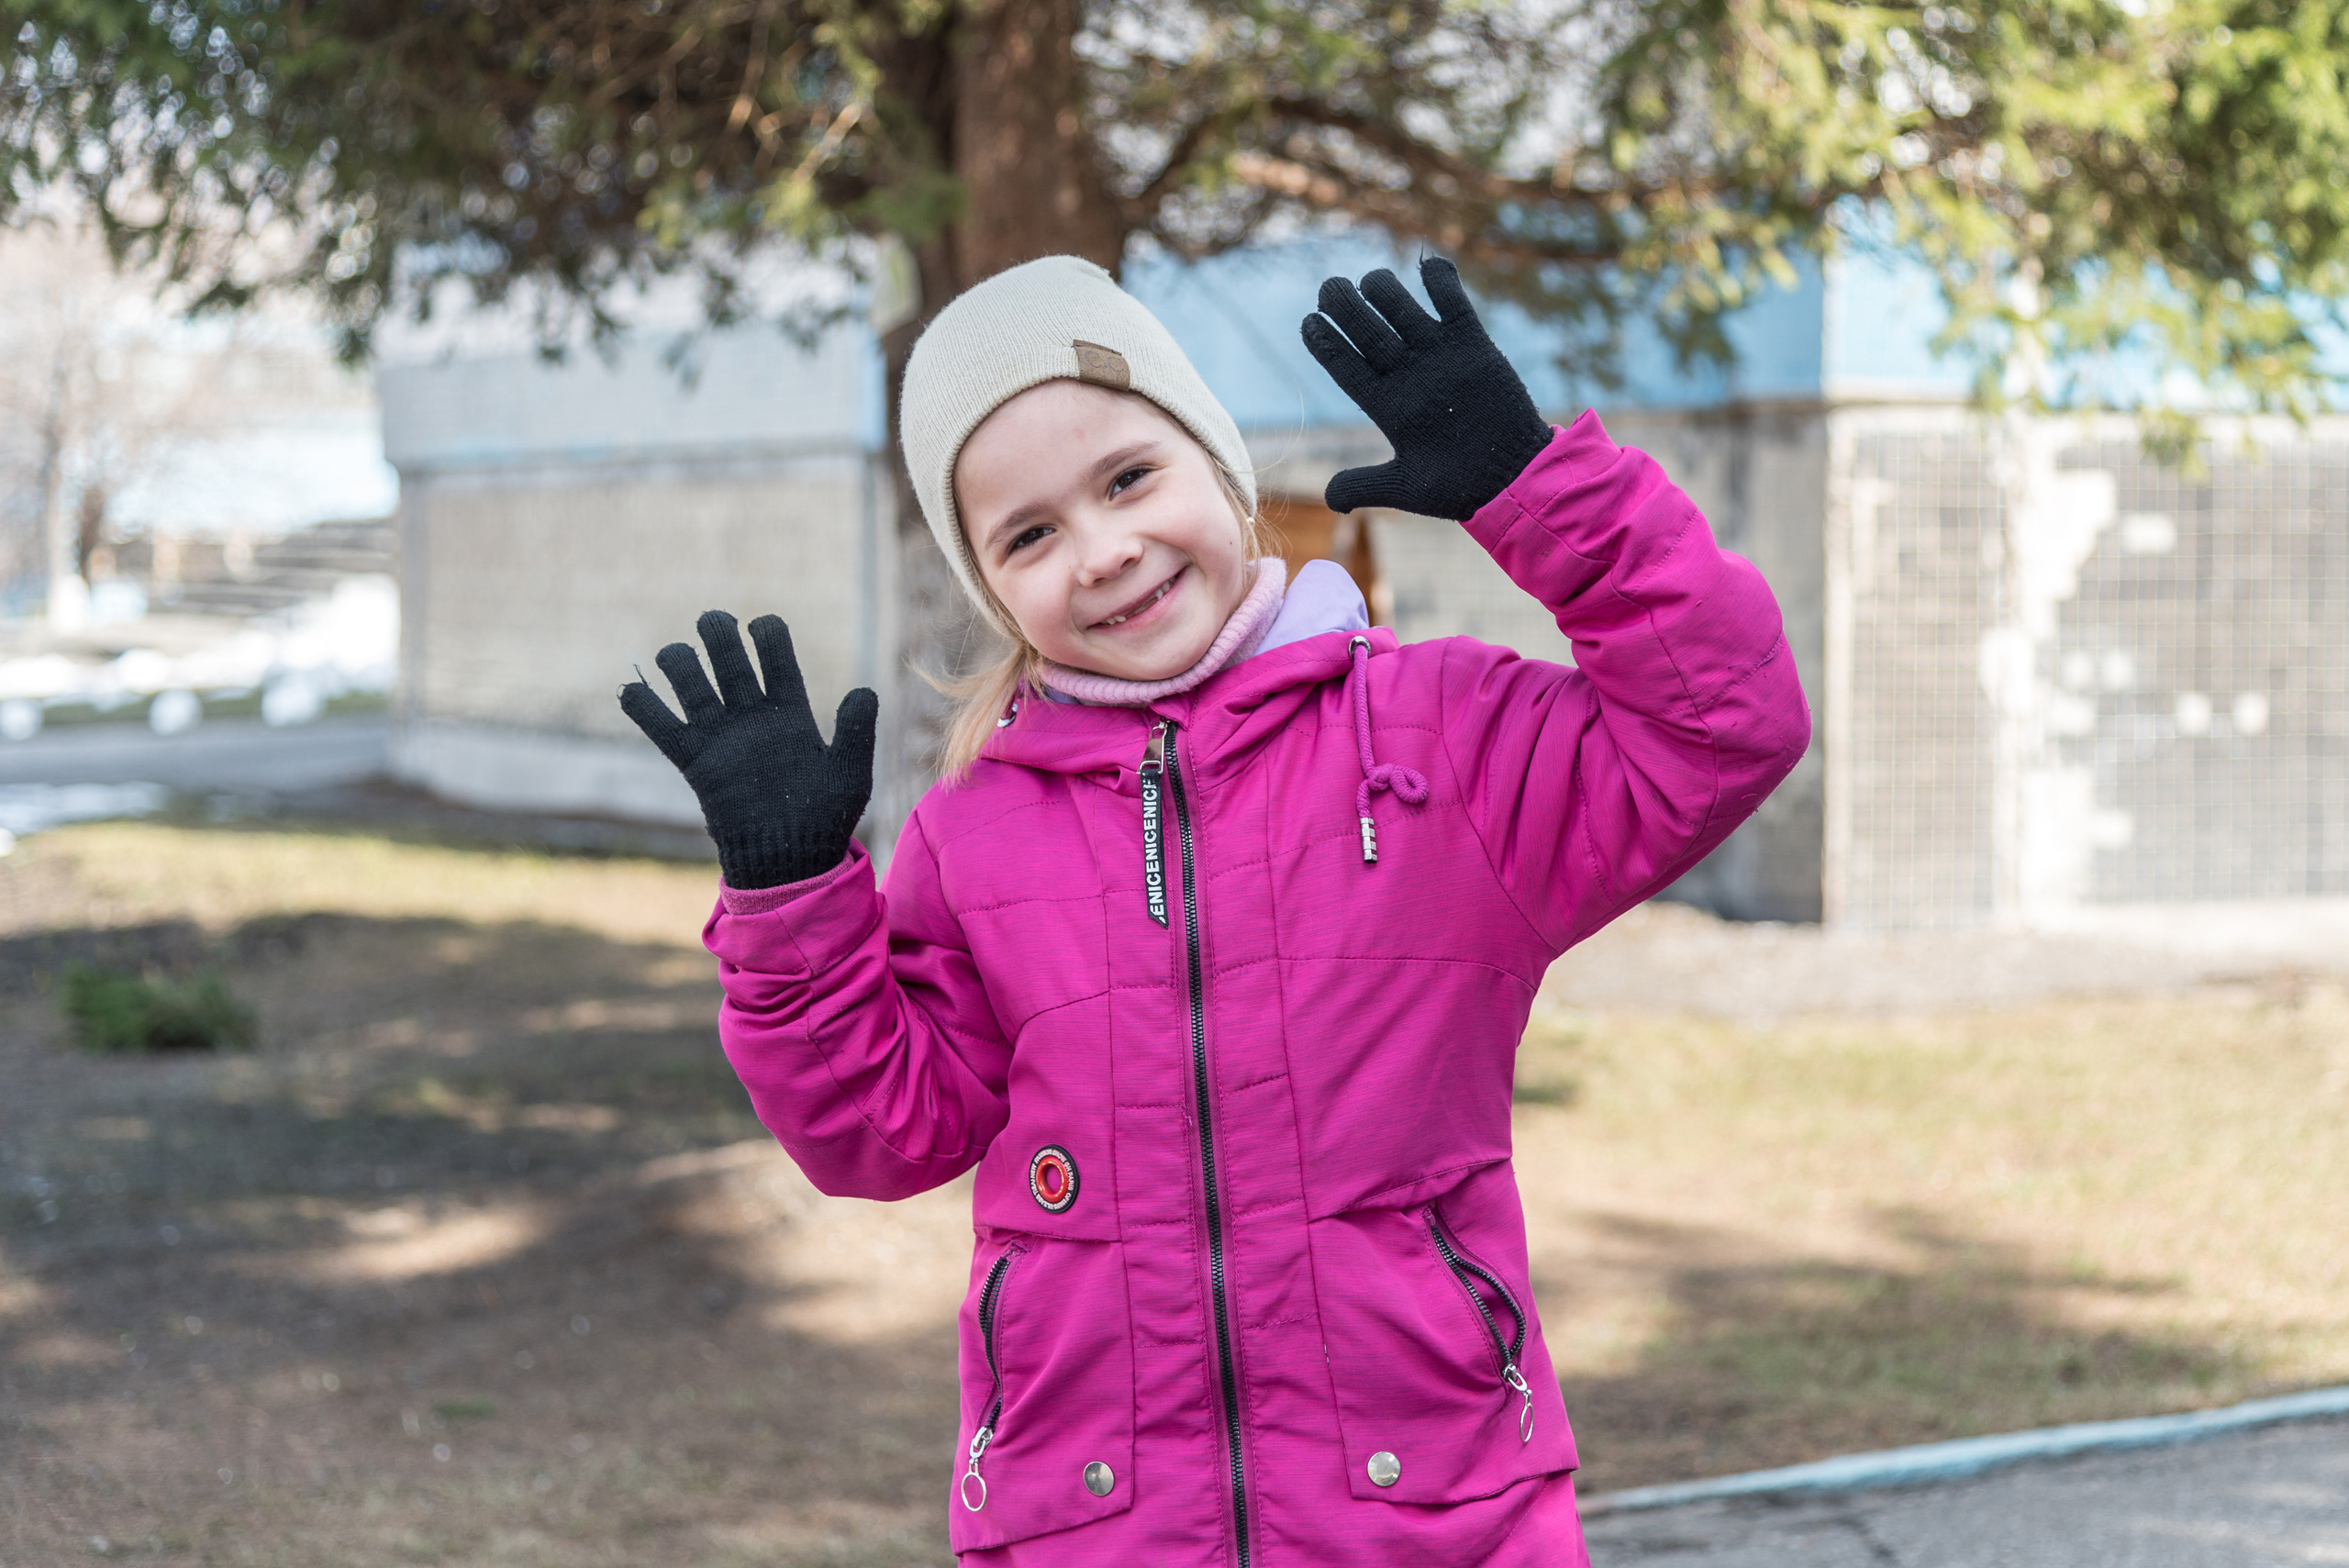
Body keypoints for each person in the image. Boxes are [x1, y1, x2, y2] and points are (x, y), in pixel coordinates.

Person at [619, 253, 1809, 1566]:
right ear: (988, 582)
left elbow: (1723, 725)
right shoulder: (974, 828)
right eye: (1030, 533)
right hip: (1097, 1523)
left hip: (1433, 1511)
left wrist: (1541, 494)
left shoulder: (1436, 740)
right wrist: (790, 902)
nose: (1105, 551)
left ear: (1218, 465)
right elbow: (880, 1132)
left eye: (1129, 478)